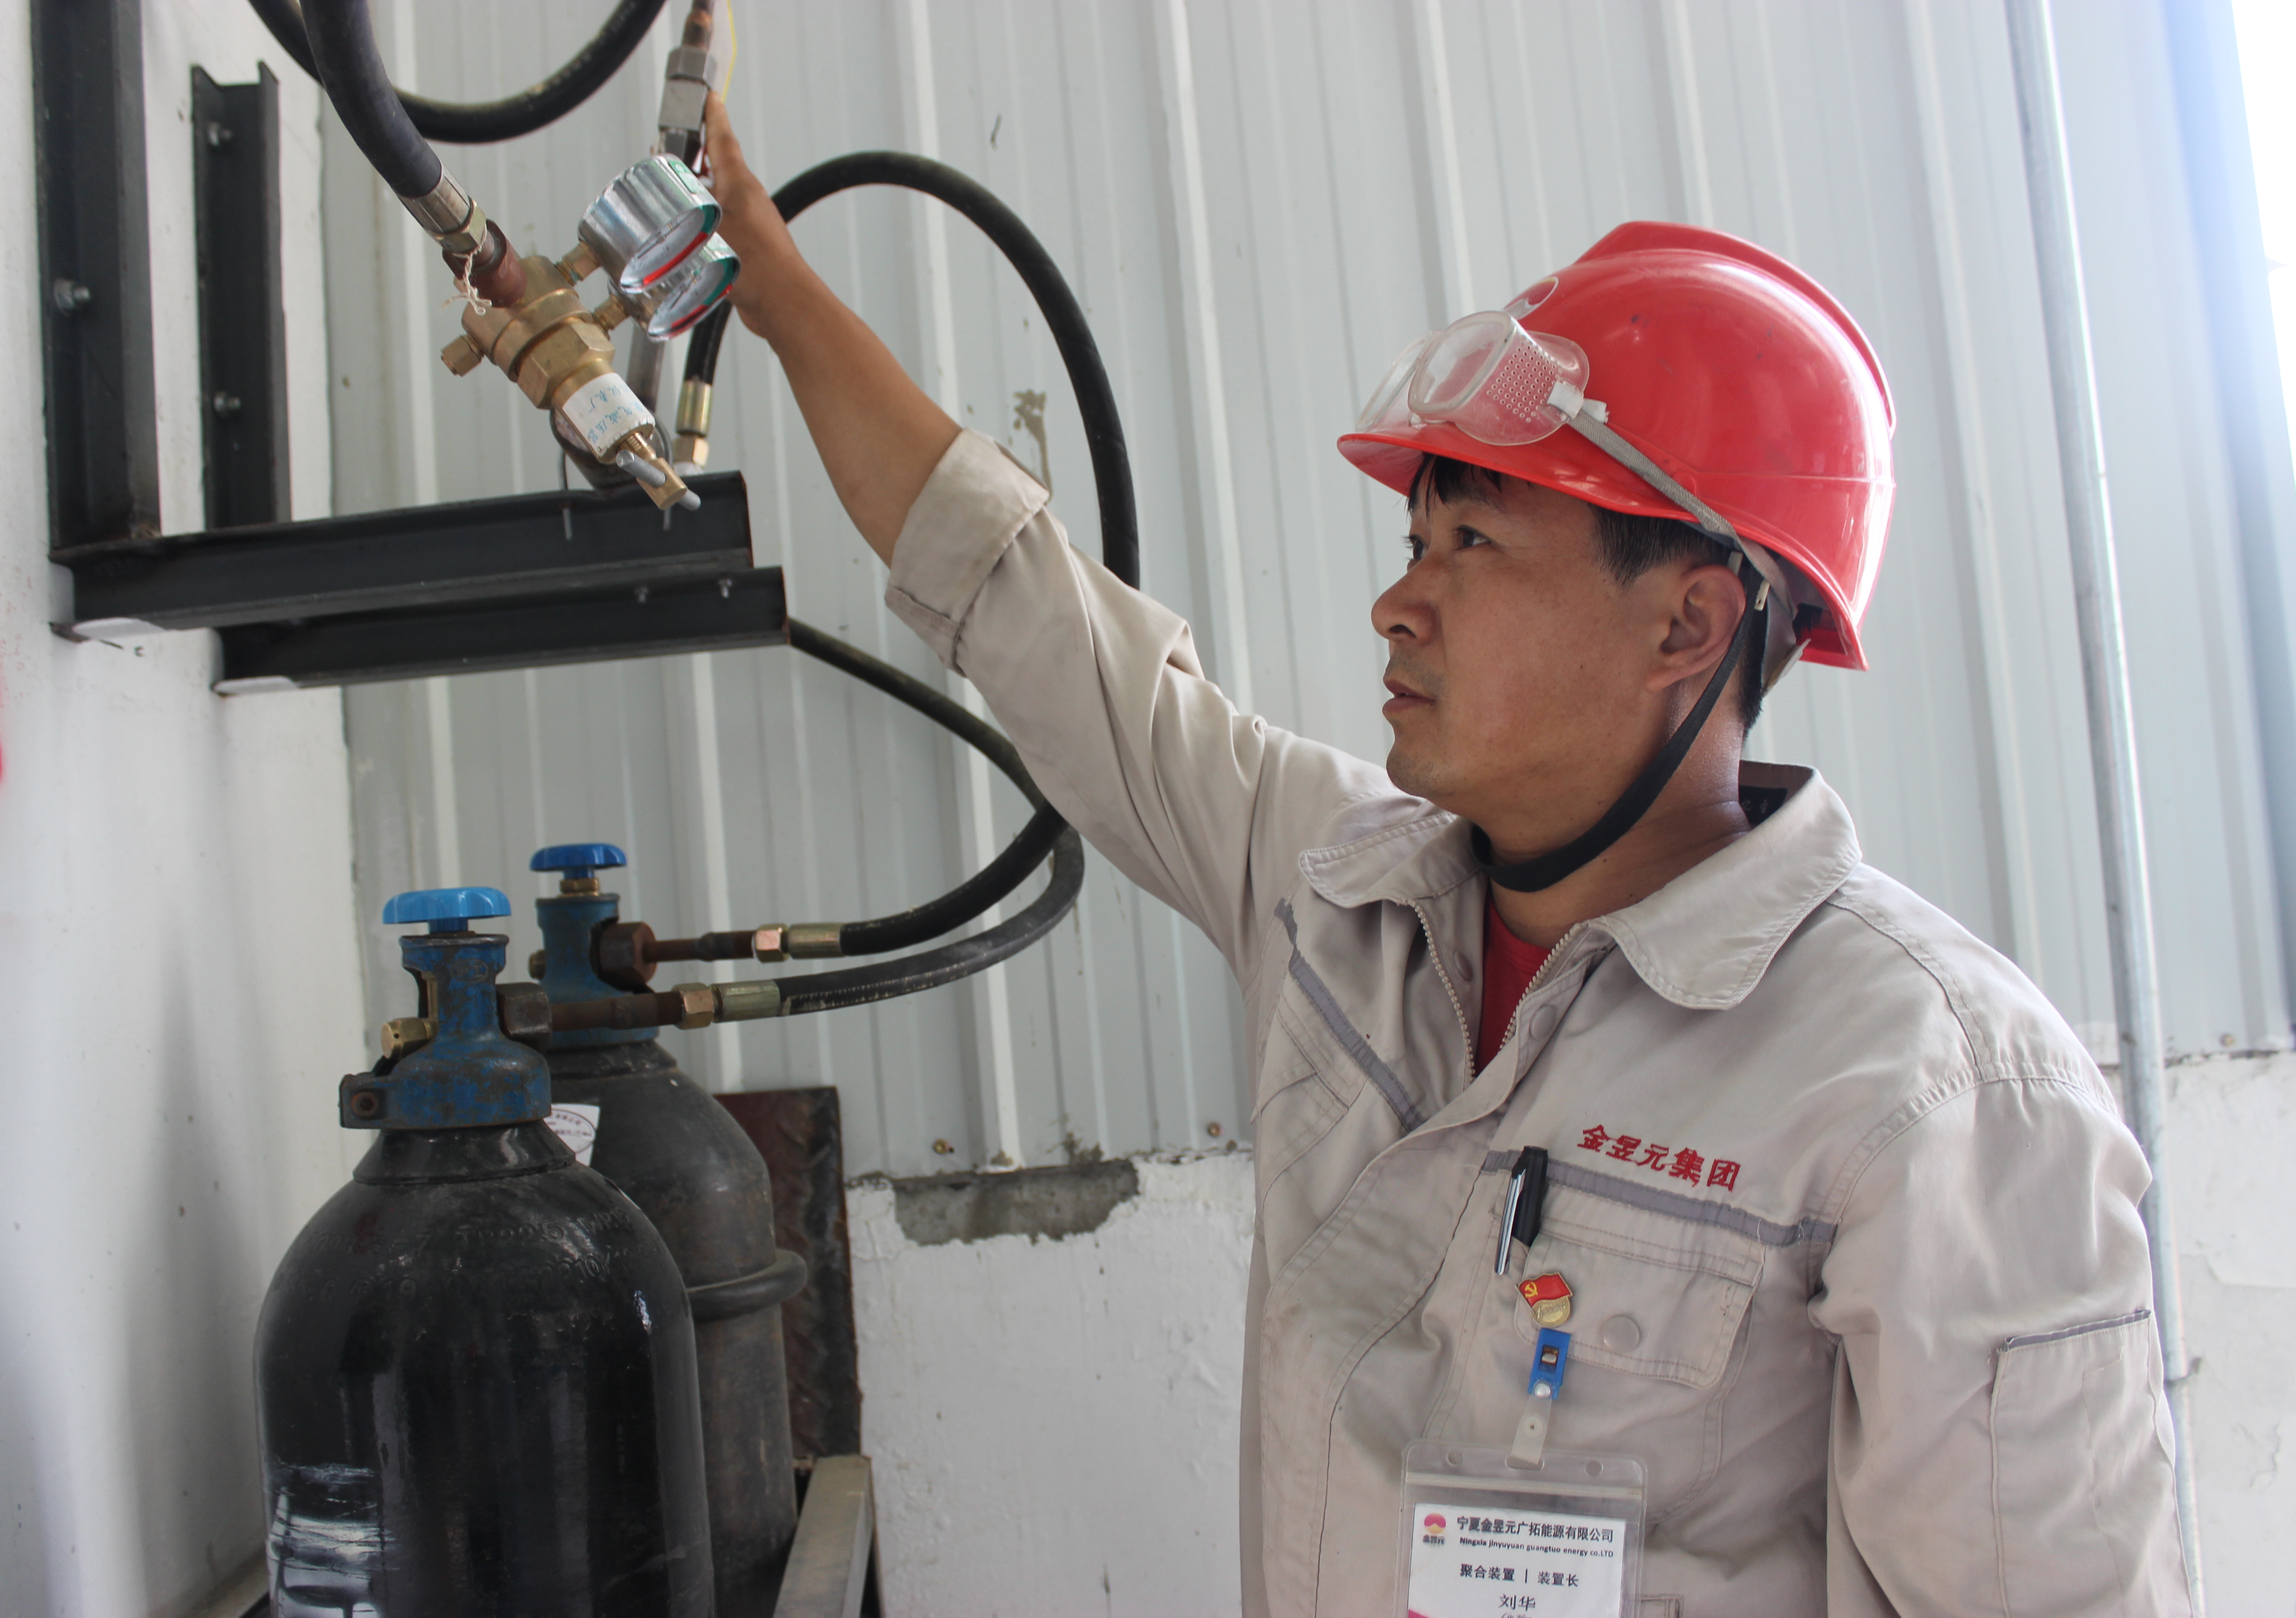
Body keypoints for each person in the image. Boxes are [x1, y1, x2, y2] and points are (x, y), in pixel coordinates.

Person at [698, 96, 2191, 1616]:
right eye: (1415, 546)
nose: (1397, 606)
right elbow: (1022, 605)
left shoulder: (1937, 1093)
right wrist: (775, 284)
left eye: (1474, 544)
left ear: (1688, 621)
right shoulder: (1336, 893)